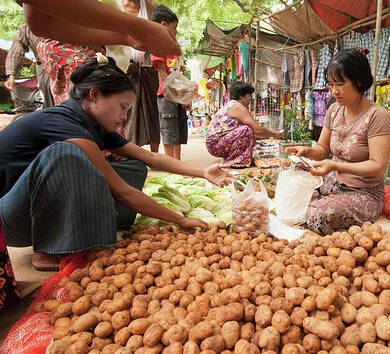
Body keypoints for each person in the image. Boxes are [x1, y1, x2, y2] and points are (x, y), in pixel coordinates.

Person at [0, 56, 233, 271]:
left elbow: (150, 157)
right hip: (13, 220)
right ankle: (46, 254)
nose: (124, 117)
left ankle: (91, 229)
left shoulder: (93, 123)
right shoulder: (64, 123)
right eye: (122, 107)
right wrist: (179, 219)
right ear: (94, 95)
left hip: (37, 210)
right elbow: (122, 192)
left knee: (133, 166)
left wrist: (203, 172)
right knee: (65, 154)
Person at [287, 49, 390, 234]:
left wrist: (335, 166)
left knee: (316, 214)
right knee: (292, 187)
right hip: (331, 183)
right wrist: (307, 151)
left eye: (340, 84)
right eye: (331, 85)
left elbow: (378, 166)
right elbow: (322, 148)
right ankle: (322, 200)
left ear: (359, 81)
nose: (334, 91)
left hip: (362, 192)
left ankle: (327, 207)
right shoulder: (334, 110)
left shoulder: (377, 116)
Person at [20, 0, 180, 105]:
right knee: (90, 120)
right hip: (70, 55)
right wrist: (140, 29)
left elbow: (40, 23)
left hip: (91, 51)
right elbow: (40, 21)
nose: (124, 117)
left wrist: (127, 37)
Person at [206, 81, 282, 168]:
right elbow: (257, 129)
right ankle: (235, 161)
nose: (250, 99)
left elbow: (255, 133)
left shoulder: (231, 105)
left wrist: (267, 136)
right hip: (216, 145)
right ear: (241, 96)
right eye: (249, 96)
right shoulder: (237, 106)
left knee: (248, 131)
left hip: (215, 144)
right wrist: (274, 134)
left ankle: (232, 158)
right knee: (246, 130)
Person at [120, 0, 161, 153]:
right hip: (123, 69)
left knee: (151, 113)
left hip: (146, 69)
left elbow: (159, 34)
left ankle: (154, 155)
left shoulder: (151, 6)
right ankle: (126, 153)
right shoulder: (115, 5)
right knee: (124, 112)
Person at [151, 5, 187, 160]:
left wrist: (185, 97)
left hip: (178, 96)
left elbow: (180, 75)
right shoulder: (158, 47)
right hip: (167, 96)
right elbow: (163, 75)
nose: (176, 32)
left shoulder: (174, 49)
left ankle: (178, 164)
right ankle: (172, 166)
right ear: (163, 25)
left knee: (178, 133)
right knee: (168, 132)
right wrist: (178, 96)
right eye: (175, 27)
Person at [5, 23, 54, 108]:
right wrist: (11, 75)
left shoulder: (60, 20)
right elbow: (16, 52)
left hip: (67, 66)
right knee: (50, 105)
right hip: (44, 70)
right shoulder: (25, 28)